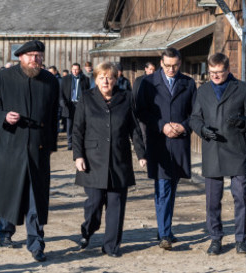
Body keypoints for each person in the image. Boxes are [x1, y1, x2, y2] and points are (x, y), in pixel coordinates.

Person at [0, 40, 60, 263]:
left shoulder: (50, 81)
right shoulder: (3, 79)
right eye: (30, 56)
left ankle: (36, 243)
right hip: (10, 146)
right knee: (10, 192)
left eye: (38, 56)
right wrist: (3, 117)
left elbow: (54, 116)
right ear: (20, 57)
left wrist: (51, 146)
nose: (35, 60)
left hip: (38, 149)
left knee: (36, 198)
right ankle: (5, 232)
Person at [73, 62, 146, 257]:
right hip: (92, 159)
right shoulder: (87, 98)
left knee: (116, 204)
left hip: (118, 159)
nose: (106, 80)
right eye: (101, 77)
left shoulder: (126, 98)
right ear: (95, 79)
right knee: (94, 203)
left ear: (116, 79)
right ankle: (88, 229)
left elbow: (134, 129)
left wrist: (141, 154)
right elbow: (78, 129)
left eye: (110, 77)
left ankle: (111, 246)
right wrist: (78, 155)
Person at [189, 53, 246, 256]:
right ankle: (215, 239)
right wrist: (202, 130)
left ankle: (240, 240)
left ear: (228, 70)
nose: (216, 76)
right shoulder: (202, 91)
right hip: (213, 150)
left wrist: (243, 122)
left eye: (219, 72)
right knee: (212, 200)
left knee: (240, 196)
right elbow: (194, 118)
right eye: (212, 73)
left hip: (237, 150)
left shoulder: (243, 89)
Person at [137, 47, 196, 250]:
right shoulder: (148, 82)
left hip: (179, 143)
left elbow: (195, 113)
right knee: (163, 188)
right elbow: (141, 111)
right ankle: (164, 235)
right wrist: (162, 125)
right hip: (158, 142)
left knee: (172, 187)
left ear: (180, 63)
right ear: (161, 63)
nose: (172, 69)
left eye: (176, 65)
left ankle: (166, 229)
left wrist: (184, 126)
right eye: (168, 65)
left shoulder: (188, 83)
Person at [60, 63, 91, 150]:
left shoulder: (85, 79)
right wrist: (62, 102)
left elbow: (88, 92)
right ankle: (70, 143)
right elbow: (61, 91)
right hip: (69, 104)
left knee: (80, 124)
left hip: (80, 104)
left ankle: (79, 143)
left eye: (76, 69)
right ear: (71, 69)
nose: (75, 71)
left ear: (80, 70)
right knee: (69, 125)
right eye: (73, 69)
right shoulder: (65, 79)